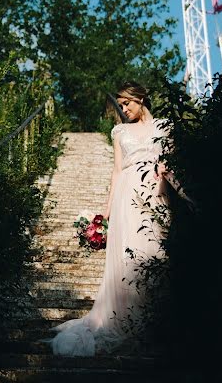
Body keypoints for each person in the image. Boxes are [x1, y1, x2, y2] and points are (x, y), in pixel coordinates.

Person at [47, 82, 181, 357]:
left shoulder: (165, 126)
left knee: (154, 250)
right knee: (130, 254)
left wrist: (166, 184)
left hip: (157, 191)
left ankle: (156, 315)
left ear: (141, 98)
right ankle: (126, 315)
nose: (123, 109)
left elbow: (171, 160)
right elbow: (117, 171)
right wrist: (106, 211)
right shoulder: (119, 132)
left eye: (127, 103)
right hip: (127, 194)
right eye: (120, 105)